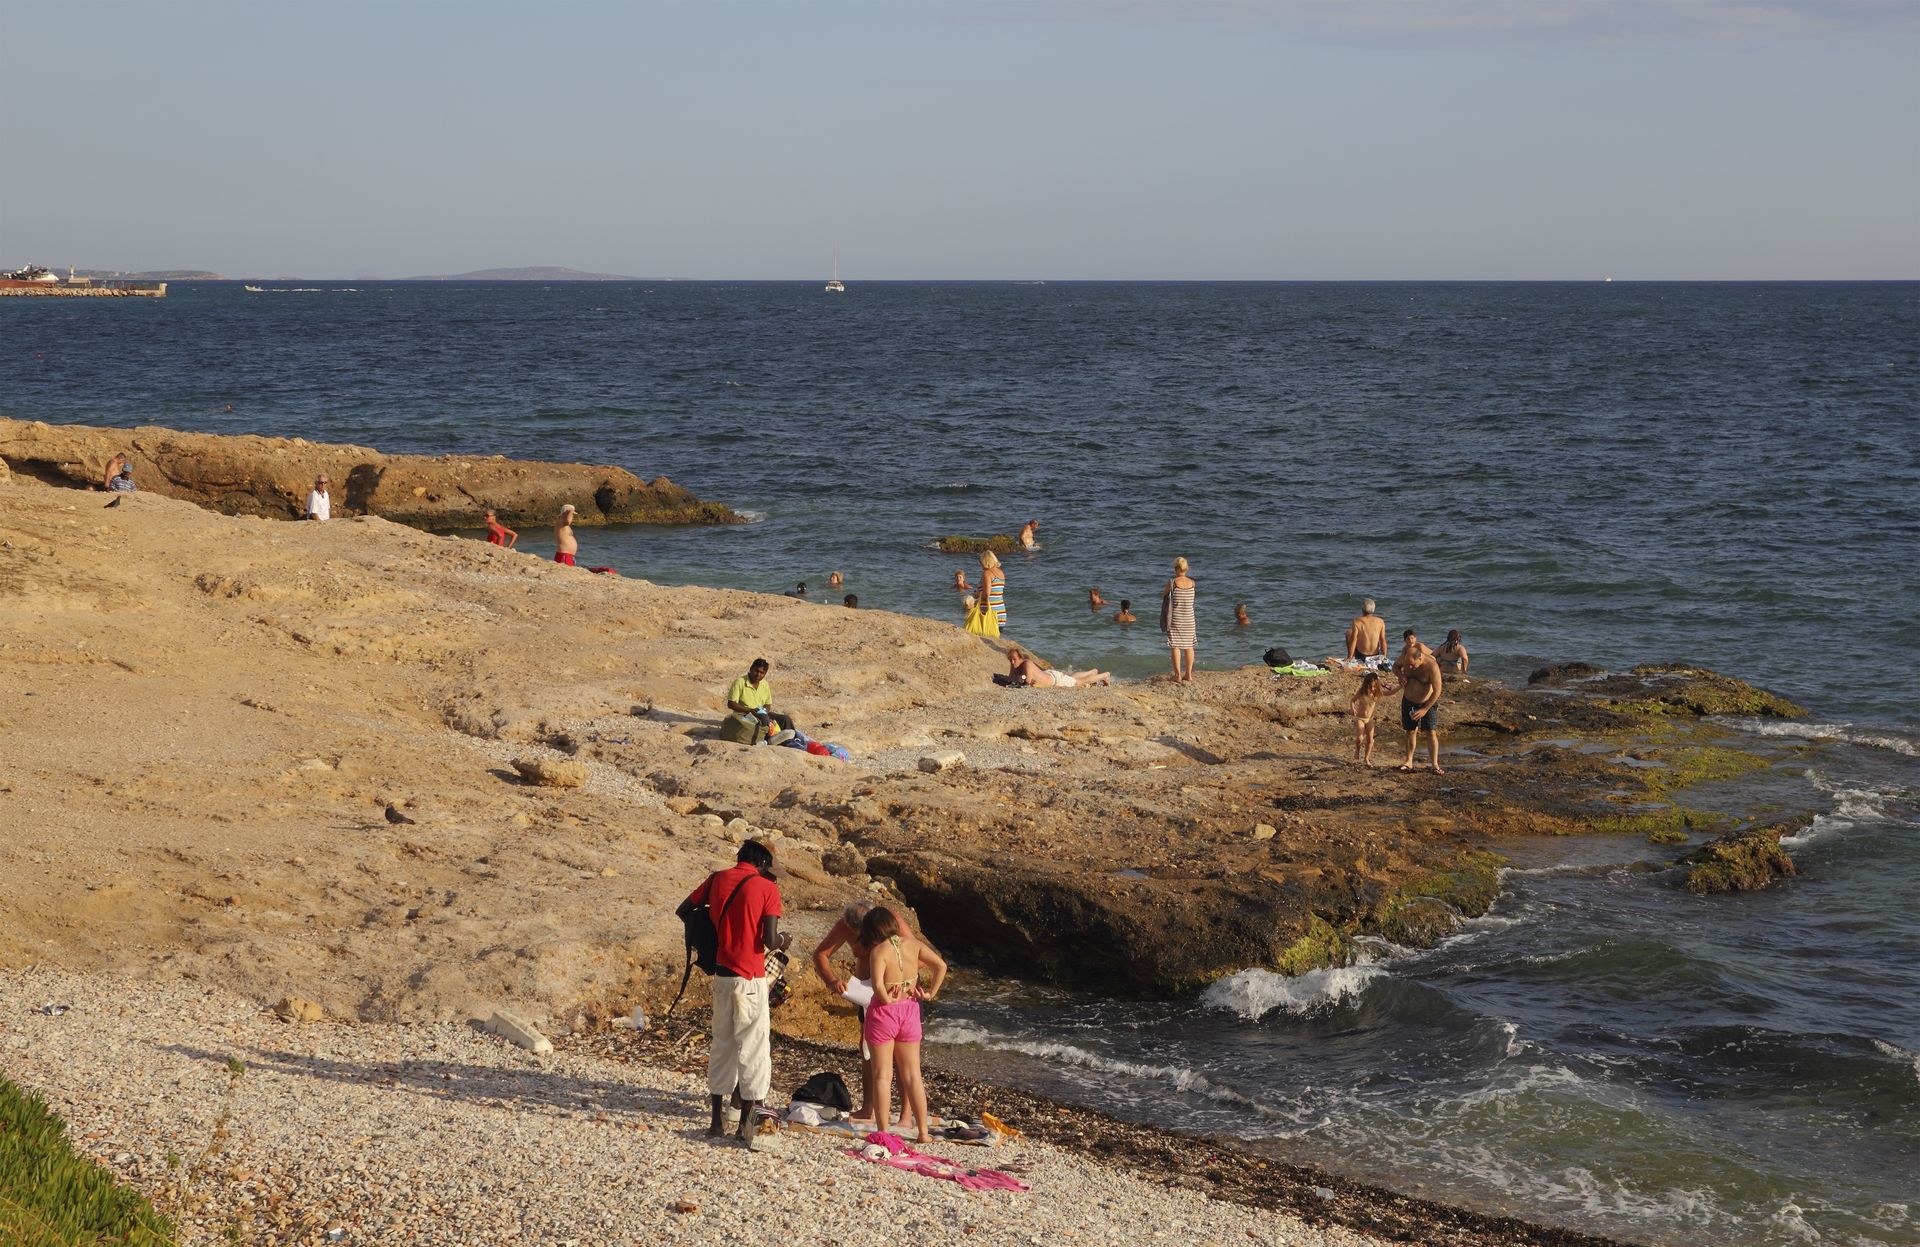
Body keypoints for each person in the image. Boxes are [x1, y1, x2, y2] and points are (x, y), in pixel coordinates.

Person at [676, 840, 790, 1151]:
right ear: (763, 864)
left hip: (723, 976)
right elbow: (769, 939)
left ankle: (716, 1123)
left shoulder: (716, 879)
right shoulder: (767, 890)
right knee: (753, 1049)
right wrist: (784, 939)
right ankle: (744, 1125)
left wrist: (712, 932)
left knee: (722, 1044)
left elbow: (684, 910)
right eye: (771, 871)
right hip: (751, 978)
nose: (773, 877)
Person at [812, 898, 938, 1129]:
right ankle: (869, 1108)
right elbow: (820, 954)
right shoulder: (845, 925)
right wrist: (832, 980)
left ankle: (904, 1115)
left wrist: (899, 980)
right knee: (868, 1052)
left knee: (904, 1061)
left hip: (899, 998)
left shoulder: (891, 922)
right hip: (868, 997)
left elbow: (916, 955)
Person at [858, 906, 946, 1145]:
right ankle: (923, 1133)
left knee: (882, 1075)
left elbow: (877, 985)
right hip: (910, 1010)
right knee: (913, 1075)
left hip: (885, 1013)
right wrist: (929, 993)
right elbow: (941, 966)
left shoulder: (879, 951)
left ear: (872, 932)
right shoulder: (913, 945)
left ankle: (884, 1132)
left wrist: (888, 1000)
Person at [723, 658, 794, 744]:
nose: (758, 674)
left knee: (785, 719)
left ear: (765, 674)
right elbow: (731, 704)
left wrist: (763, 713)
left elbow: (767, 704)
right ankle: (770, 741)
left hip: (760, 713)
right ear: (751, 669)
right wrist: (751, 711)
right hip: (744, 714)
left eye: (761, 673)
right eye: (756, 671)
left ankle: (791, 741)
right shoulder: (739, 682)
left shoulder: (764, 684)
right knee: (760, 724)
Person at [1399, 642, 1445, 774]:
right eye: (1408, 664)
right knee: (1410, 731)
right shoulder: (1407, 657)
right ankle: (1408, 761)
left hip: (1427, 703)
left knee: (1431, 732)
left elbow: (1437, 691)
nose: (1410, 667)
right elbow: (1395, 667)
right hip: (1408, 701)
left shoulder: (1432, 666)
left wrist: (1425, 709)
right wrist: (1401, 675)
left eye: (1412, 665)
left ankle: (1434, 765)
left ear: (1420, 658)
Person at [1161, 556, 1197, 683]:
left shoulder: (1172, 583)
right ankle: (1189, 674)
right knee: (1189, 646)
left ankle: (1177, 675)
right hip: (1189, 619)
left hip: (1176, 618)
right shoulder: (1193, 583)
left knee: (1175, 645)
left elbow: (1164, 595)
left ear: (1176, 569)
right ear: (1187, 568)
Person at [1351, 672, 1396, 767]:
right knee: (1359, 739)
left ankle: (1366, 758)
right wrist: (1353, 708)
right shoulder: (1362, 692)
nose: (1372, 689)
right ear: (1366, 685)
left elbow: (1390, 692)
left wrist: (1400, 686)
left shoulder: (1377, 693)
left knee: (1370, 740)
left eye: (1374, 687)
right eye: (1370, 687)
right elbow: (1352, 700)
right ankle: (1357, 749)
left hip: (1369, 719)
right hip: (1360, 718)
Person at [1006, 646, 1110, 688]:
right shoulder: (1014, 664)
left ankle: (1104, 675)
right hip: (1049, 674)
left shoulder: (1027, 663)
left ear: (1020, 657)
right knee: (1072, 678)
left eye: (1014, 659)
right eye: (1010, 659)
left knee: (1079, 682)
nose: (1012, 661)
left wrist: (1019, 679)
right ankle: (1093, 671)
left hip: (1055, 680)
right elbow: (1011, 678)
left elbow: (1026, 682)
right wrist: (1017, 678)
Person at [979, 551, 1006, 631]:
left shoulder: (987, 573)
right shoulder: (1001, 572)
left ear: (985, 561)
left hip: (989, 613)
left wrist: (976, 595)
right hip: (1001, 612)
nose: (980, 563)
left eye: (980, 561)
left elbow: (987, 594)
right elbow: (996, 591)